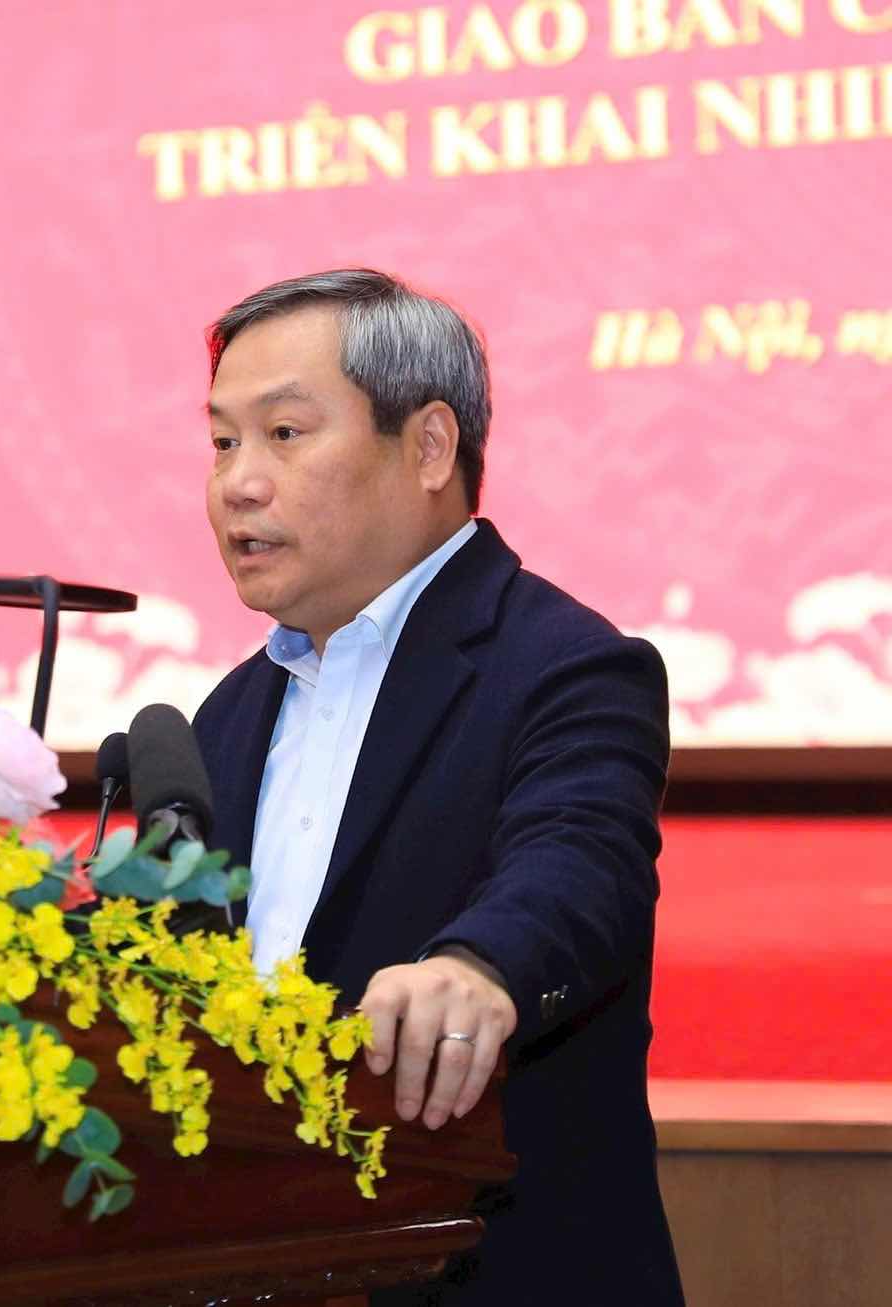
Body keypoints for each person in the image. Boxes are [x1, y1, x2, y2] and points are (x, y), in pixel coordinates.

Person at [190, 269, 686, 1306]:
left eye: (284, 433)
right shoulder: (225, 716)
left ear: (427, 446)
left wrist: (479, 966)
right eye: (224, 440)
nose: (238, 481)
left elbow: (580, 858)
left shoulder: (566, 665)